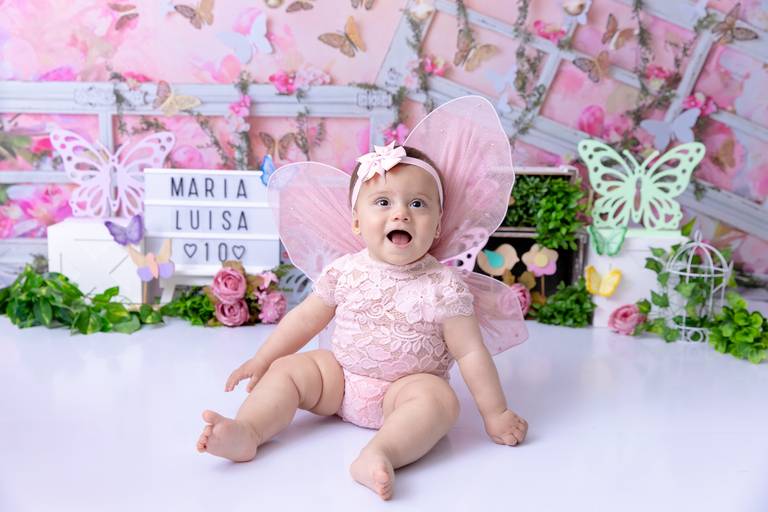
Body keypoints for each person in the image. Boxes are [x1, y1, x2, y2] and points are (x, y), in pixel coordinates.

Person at [197, 96, 528, 500]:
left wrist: (496, 413)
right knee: (289, 370)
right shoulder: (345, 271)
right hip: (339, 381)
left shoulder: (444, 287)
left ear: (439, 225)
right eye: (383, 202)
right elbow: (305, 319)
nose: (401, 214)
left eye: (418, 204)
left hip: (405, 392)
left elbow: (471, 353)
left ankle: (379, 453)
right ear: (356, 221)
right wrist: (263, 359)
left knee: (440, 401)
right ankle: (248, 431)